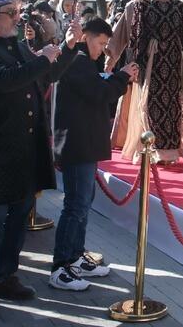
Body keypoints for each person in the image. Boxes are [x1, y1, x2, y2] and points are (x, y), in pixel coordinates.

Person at [0, 0, 81, 319]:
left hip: (24, 145)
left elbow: (43, 76)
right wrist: (42, 58)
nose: (17, 18)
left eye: (15, 11)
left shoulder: (13, 43)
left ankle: (4, 276)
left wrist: (68, 49)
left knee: (19, 216)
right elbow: (5, 81)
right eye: (9, 13)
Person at [50, 17, 137, 291]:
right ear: (86, 37)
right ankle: (61, 266)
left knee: (83, 203)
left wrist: (115, 78)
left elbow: (99, 88)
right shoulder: (76, 61)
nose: (102, 49)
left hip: (86, 141)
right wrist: (122, 76)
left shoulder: (87, 62)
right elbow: (99, 93)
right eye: (100, 43)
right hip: (77, 143)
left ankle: (75, 257)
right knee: (75, 205)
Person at [106, 0, 183, 164]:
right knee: (150, 104)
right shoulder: (141, 6)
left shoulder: (181, 8)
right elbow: (138, 37)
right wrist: (137, 63)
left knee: (172, 104)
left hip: (173, 61)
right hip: (151, 61)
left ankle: (170, 152)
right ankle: (151, 148)